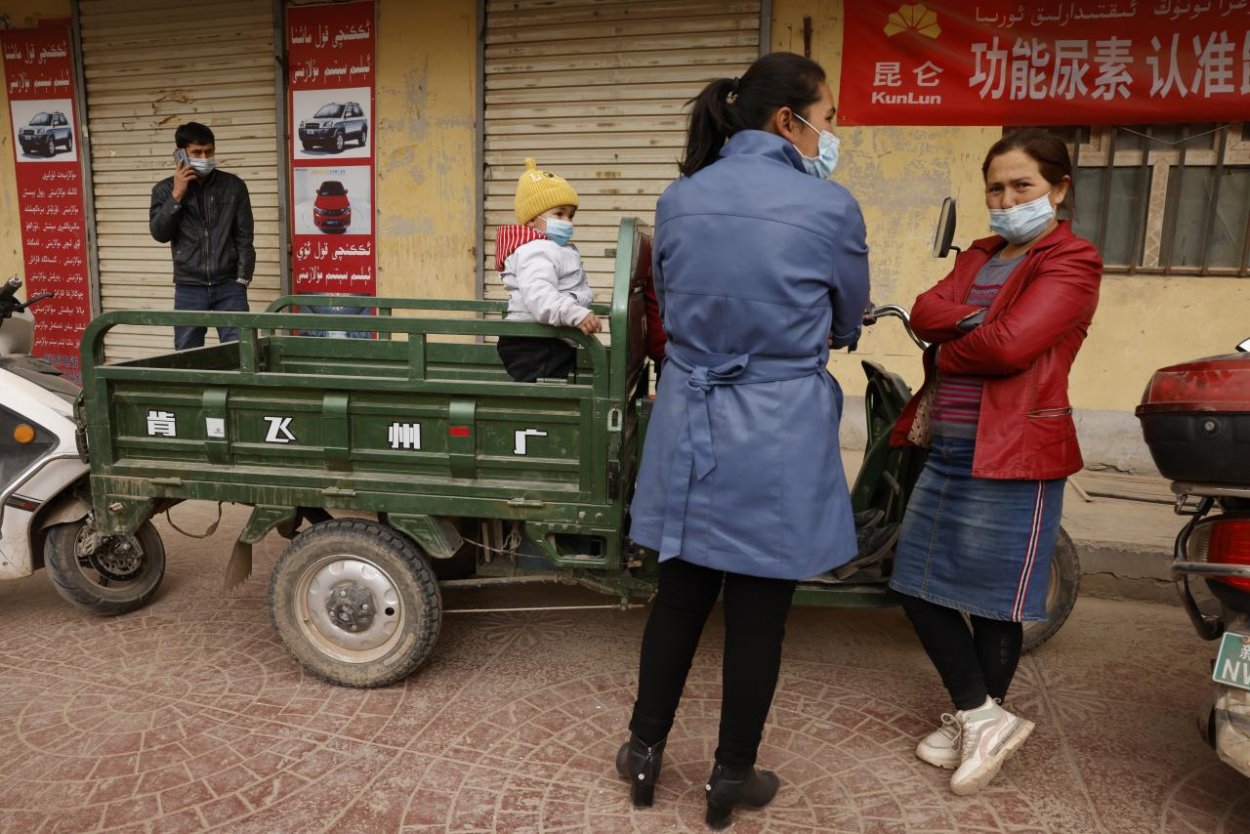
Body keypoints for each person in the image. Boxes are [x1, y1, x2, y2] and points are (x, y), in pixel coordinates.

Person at [617, 52, 870, 829]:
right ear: (788, 121)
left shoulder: (680, 199)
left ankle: (642, 752)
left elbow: (669, 306)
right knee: (760, 609)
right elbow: (846, 321)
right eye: (826, 118)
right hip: (778, 428)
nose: (830, 134)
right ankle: (731, 775)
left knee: (680, 594)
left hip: (689, 419)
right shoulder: (831, 207)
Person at [888, 129, 1101, 796]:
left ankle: (977, 717)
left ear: (1058, 189)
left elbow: (1011, 347)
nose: (1007, 200)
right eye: (996, 189)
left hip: (1015, 452)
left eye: (1022, 186)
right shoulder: (980, 253)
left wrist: (951, 342)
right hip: (949, 446)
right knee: (915, 585)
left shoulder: (1073, 260)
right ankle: (981, 716)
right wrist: (973, 322)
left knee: (995, 604)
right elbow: (924, 310)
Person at [149, 122, 255, 351]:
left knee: (240, 352)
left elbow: (244, 238)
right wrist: (177, 195)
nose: (205, 158)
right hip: (189, 288)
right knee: (187, 354)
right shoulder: (163, 190)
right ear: (180, 154)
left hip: (229, 286)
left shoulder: (233, 186)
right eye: (197, 152)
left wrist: (242, 280)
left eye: (209, 151)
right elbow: (159, 234)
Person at [495, 159, 601, 381]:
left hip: (546, 340)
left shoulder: (551, 248)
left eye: (570, 215)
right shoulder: (536, 251)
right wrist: (577, 314)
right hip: (535, 344)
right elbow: (541, 296)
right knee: (545, 399)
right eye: (559, 214)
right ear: (532, 220)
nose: (567, 221)